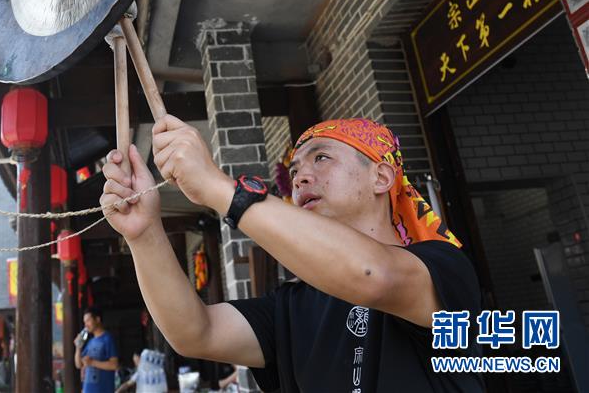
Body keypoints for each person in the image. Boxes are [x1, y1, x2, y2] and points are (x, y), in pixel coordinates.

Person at [101, 116, 483, 392]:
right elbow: (195, 332)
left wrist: (218, 189)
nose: (299, 177)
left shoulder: (442, 265)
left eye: (321, 158)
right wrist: (145, 233)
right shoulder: (294, 306)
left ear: (381, 178)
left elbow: (372, 275)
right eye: (295, 168)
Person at [74, 307, 119, 393]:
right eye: (85, 322)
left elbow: (114, 365)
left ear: (97, 319)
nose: (86, 325)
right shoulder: (90, 341)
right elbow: (78, 364)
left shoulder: (108, 338)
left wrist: (92, 362)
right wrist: (78, 347)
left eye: (88, 320)